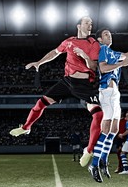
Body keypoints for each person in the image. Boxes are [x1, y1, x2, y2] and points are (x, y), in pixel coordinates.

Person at [9, 16, 103, 159]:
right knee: (41, 103)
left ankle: (89, 150)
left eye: (91, 23)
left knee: (98, 114)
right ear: (79, 26)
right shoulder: (69, 41)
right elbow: (55, 52)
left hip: (83, 84)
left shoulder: (93, 43)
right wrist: (40, 62)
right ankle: (26, 127)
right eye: (87, 22)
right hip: (67, 82)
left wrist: (84, 56)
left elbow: (94, 66)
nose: (90, 25)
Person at [87, 28, 128, 182]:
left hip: (115, 94)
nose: (109, 35)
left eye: (110, 33)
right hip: (107, 91)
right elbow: (102, 68)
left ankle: (103, 160)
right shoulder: (102, 49)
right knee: (106, 130)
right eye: (105, 34)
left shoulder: (113, 53)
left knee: (114, 130)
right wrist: (121, 64)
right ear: (100, 40)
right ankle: (94, 164)